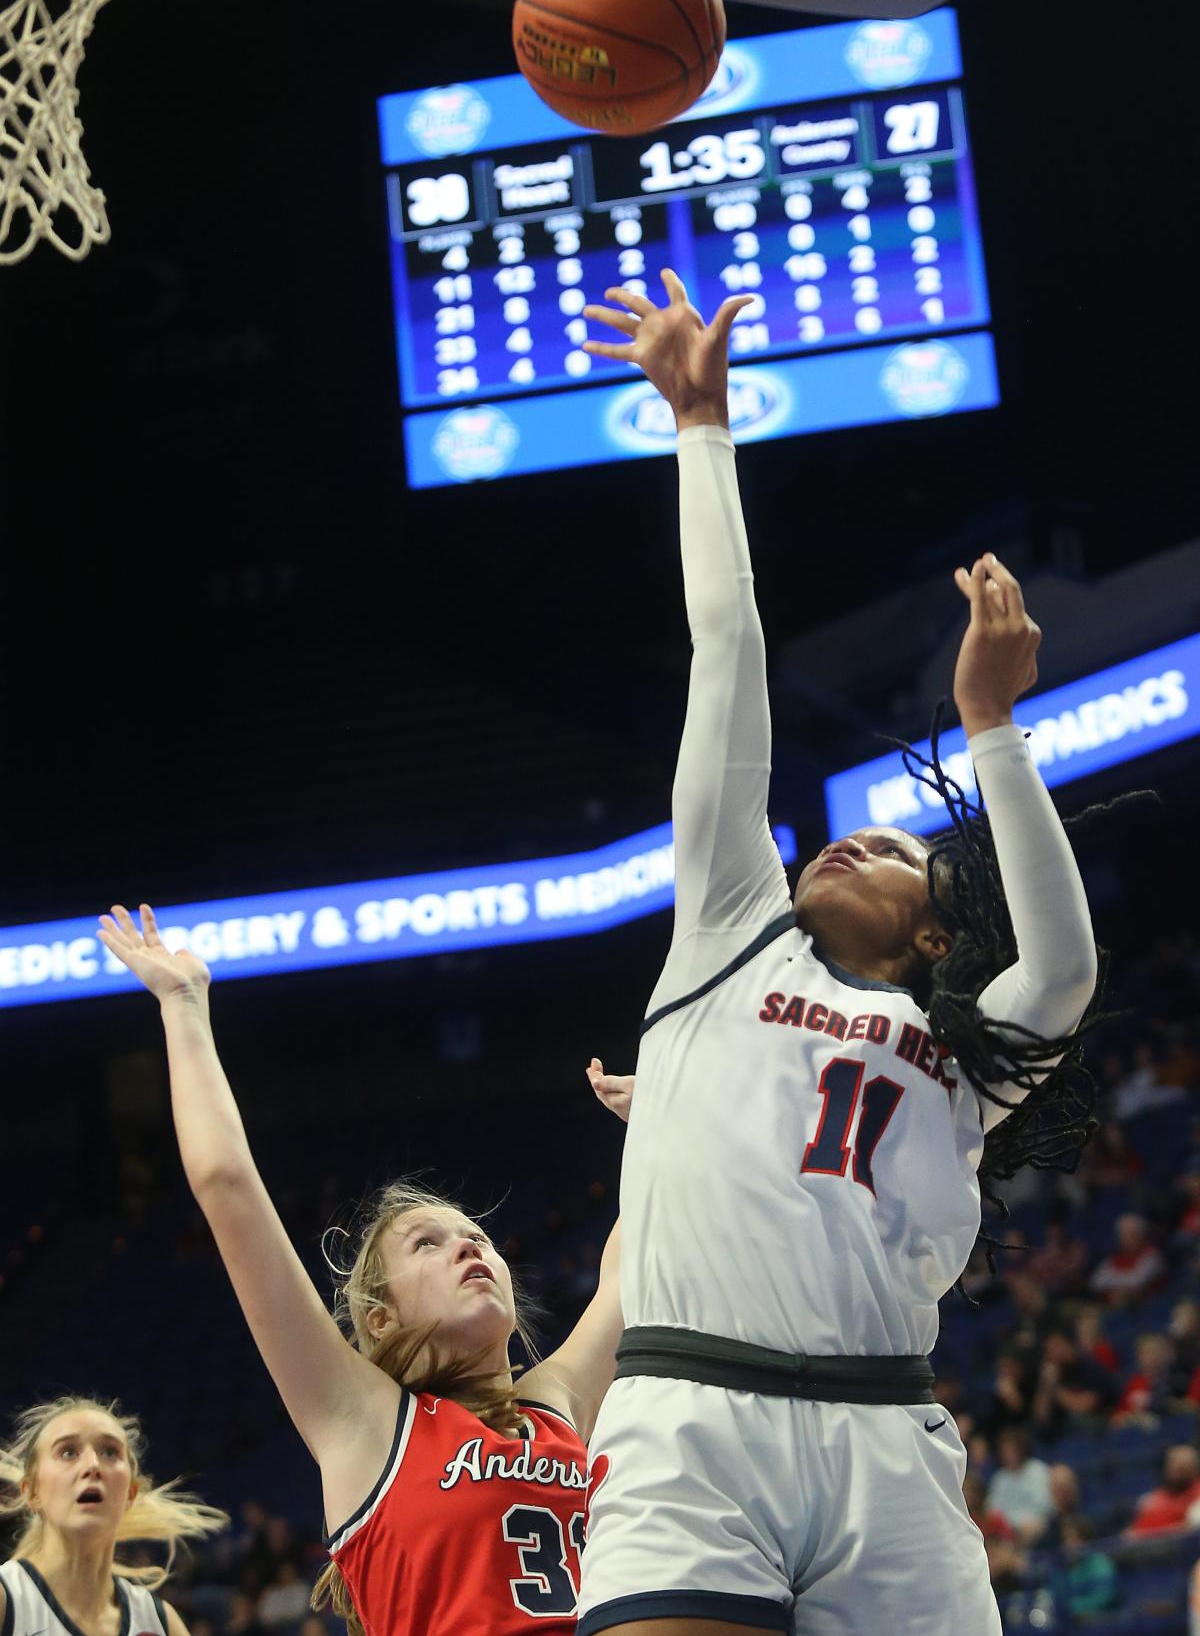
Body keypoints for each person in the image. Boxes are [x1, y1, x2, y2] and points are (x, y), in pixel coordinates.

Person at [576, 269, 1103, 1636]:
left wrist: (992, 724)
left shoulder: (962, 1059)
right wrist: (702, 427)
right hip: (692, 1413)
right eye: (838, 838)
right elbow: (726, 650)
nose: (839, 846)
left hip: (884, 1434)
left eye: (882, 849)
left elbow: (1059, 973)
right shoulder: (725, 930)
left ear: (936, 929)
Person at [98, 907, 627, 1636]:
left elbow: (638, 1256)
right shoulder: (367, 1422)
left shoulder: (555, 1401)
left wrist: (661, 1121)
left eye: (477, 1236)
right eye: (428, 1244)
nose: (470, 1247)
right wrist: (183, 1003)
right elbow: (227, 1185)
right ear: (380, 1317)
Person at [0, 1396, 225, 1636]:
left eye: (109, 1452)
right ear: (33, 1492)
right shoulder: (7, 1599)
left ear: (130, 1493)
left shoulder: (161, 1622)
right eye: (67, 1452)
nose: (92, 1465)